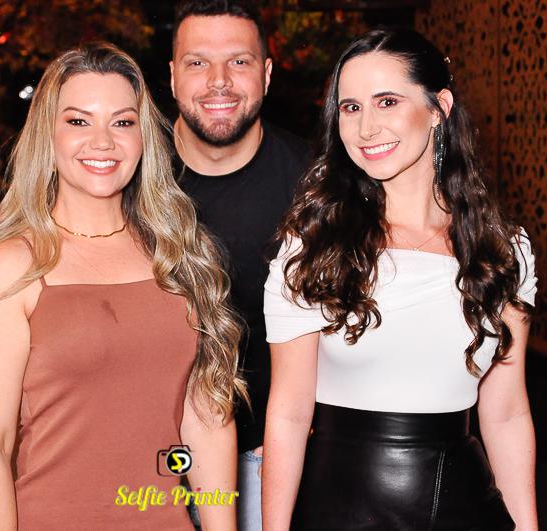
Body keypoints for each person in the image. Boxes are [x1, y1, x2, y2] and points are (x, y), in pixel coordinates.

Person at [0, 42, 246, 530]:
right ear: (48, 135)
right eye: (78, 121)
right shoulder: (10, 267)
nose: (103, 141)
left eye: (122, 122)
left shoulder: (178, 256)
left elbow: (206, 421)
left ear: (143, 137)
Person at [262, 29, 538, 530]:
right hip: (339, 511)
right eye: (350, 108)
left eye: (387, 101)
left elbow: (506, 414)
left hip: (468, 507)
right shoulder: (314, 246)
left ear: (438, 108)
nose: (366, 127)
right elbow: (288, 412)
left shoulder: (502, 248)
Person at [169, 2, 310, 528]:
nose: (219, 81)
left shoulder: (315, 185)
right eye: (198, 63)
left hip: (264, 457)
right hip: (142, 455)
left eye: (239, 61)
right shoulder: (128, 171)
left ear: (266, 74)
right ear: (173, 76)